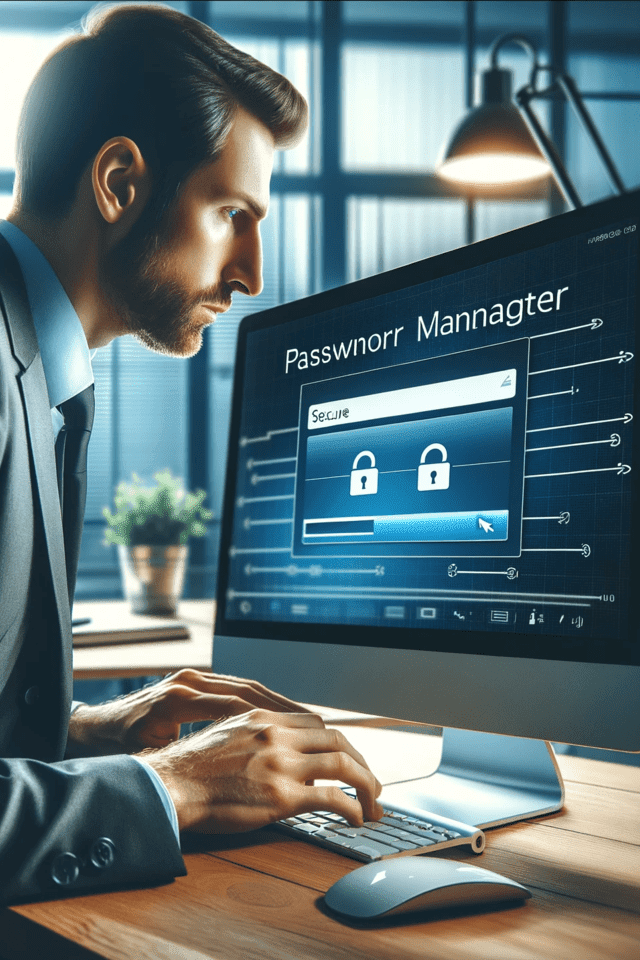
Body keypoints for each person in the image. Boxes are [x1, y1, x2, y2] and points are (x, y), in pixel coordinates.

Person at [0, 3, 382, 904]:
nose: (250, 273)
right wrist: (176, 784)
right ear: (121, 182)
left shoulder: (41, 372)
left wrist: (93, 729)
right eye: (232, 214)